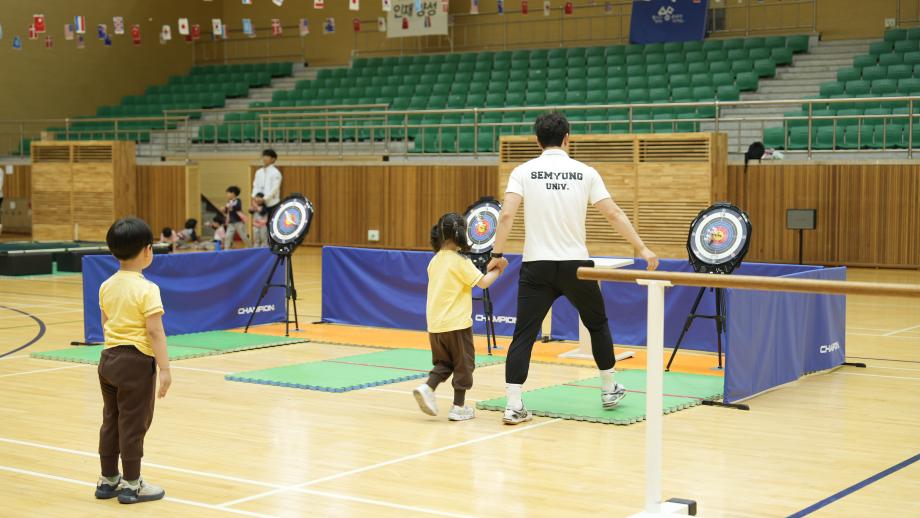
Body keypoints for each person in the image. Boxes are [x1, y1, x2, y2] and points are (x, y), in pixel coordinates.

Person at [487, 112, 660, 425]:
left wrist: (497, 254)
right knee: (597, 324)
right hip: (576, 266)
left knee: (524, 334)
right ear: (567, 138)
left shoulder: (523, 171)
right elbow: (614, 214)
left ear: (537, 141)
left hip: (536, 266)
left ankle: (513, 404)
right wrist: (642, 248)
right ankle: (609, 388)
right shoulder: (585, 172)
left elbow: (506, 216)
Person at [95, 217, 171, 504]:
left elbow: (106, 323)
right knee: (133, 424)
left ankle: (107, 480)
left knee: (111, 420)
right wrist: (165, 369)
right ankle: (131, 484)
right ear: (147, 250)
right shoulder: (147, 289)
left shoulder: (106, 285)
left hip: (108, 360)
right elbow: (155, 331)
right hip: (136, 363)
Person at [413, 213, 502, 421]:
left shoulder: (435, 261)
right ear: (461, 233)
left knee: (444, 363)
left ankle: (428, 387)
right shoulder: (460, 261)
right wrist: (499, 270)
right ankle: (458, 407)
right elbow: (483, 282)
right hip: (457, 324)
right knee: (465, 364)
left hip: (435, 325)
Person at [251, 149, 283, 221]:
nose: (264, 158)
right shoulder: (259, 172)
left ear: (273, 159)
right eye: (263, 156)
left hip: (272, 203)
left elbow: (275, 188)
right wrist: (254, 197)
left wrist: (264, 199)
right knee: (259, 225)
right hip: (259, 203)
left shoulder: (276, 172)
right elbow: (255, 185)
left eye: (267, 156)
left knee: (271, 224)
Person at [223, 186, 251, 250]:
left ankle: (250, 247)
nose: (227, 195)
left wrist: (231, 207)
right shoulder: (229, 202)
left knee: (243, 236)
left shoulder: (238, 200)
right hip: (231, 222)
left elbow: (238, 207)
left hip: (238, 222)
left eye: (228, 193)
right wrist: (224, 209)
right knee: (228, 236)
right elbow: (227, 211)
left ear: (233, 193)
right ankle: (226, 249)